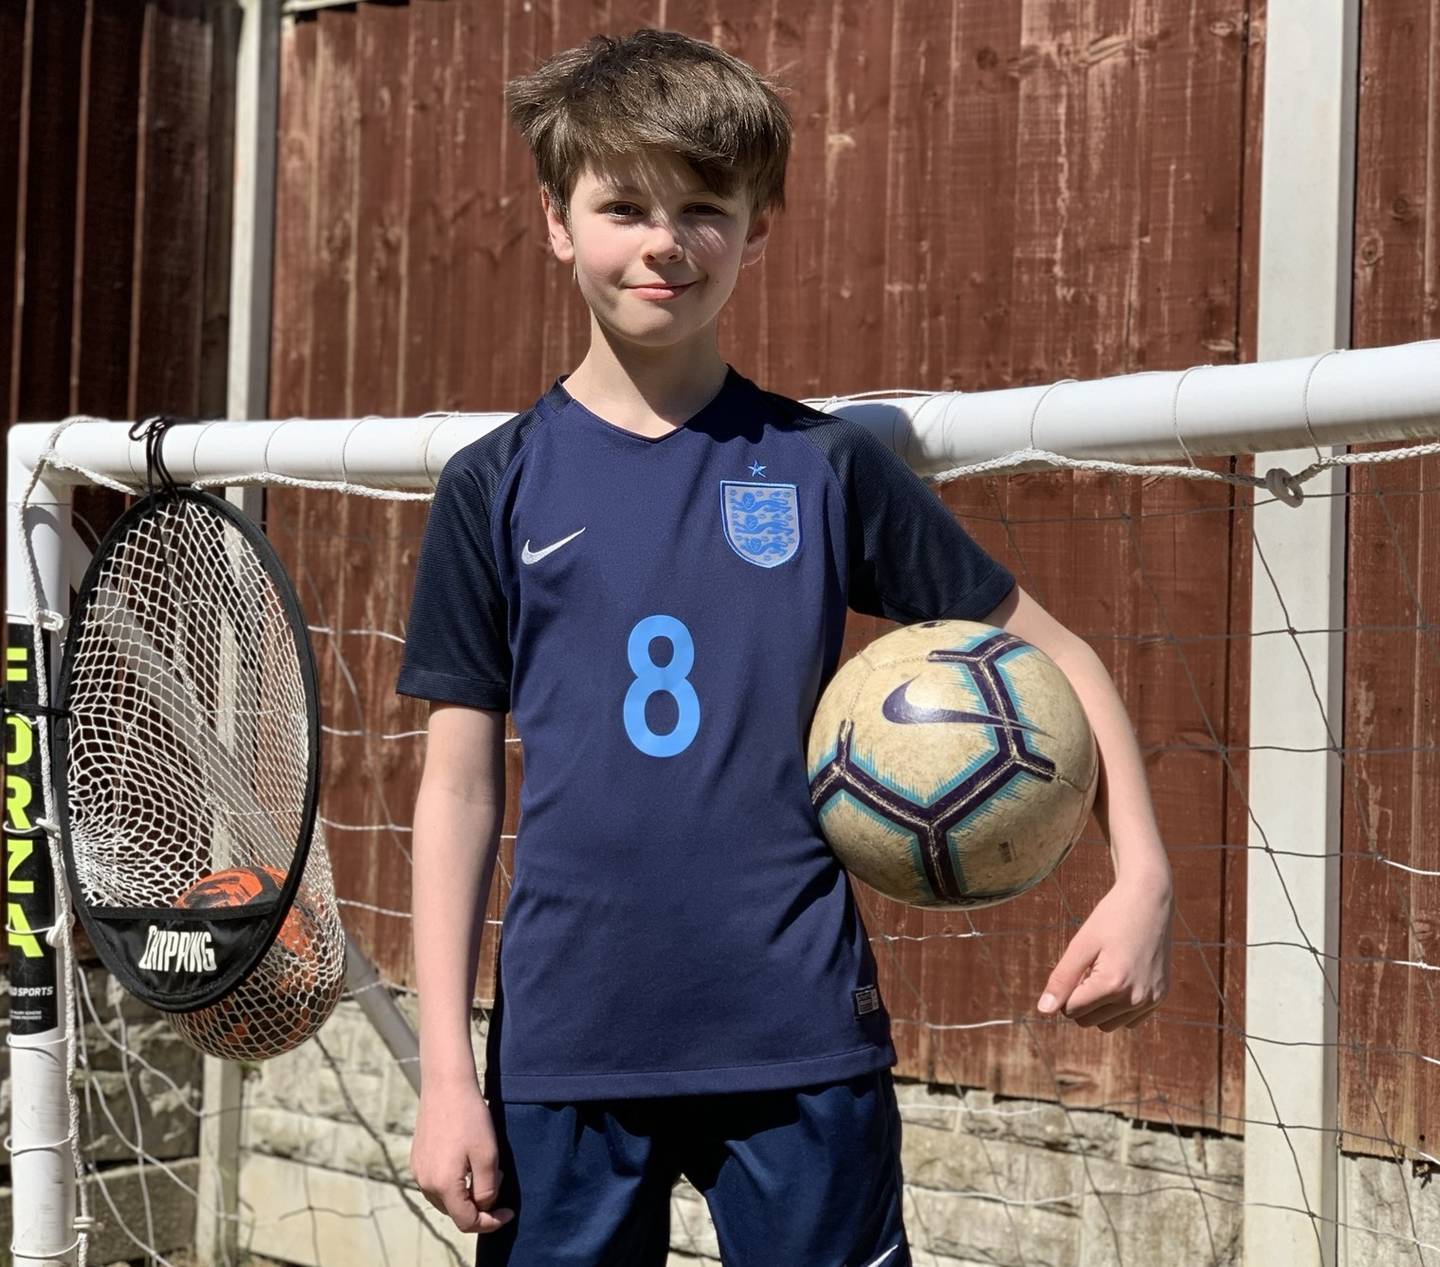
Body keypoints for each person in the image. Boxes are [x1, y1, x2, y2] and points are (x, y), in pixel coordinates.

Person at [396, 27, 1174, 1267]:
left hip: (799, 1031)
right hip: (565, 1042)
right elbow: (457, 783)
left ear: (758, 227)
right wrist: (446, 1073)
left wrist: (1141, 872)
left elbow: (1061, 654)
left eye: (705, 206)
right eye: (624, 205)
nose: (665, 239)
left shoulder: (822, 465)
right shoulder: (494, 485)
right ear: (557, 223)